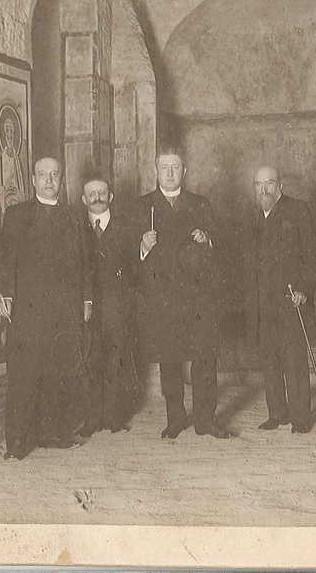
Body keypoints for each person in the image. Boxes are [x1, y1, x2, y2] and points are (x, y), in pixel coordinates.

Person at [0, 157, 94, 460]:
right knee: (23, 376)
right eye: (43, 175)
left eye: (55, 175)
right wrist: (4, 296)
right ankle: (15, 442)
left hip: (63, 310)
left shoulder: (74, 218)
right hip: (27, 309)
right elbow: (4, 260)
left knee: (59, 373)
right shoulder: (16, 215)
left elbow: (86, 263)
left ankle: (53, 434)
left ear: (62, 181)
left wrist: (87, 300)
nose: (49, 180)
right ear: (34, 180)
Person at [134, 147, 230, 439]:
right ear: (156, 171)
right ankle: (175, 418)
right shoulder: (143, 207)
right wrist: (143, 247)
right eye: (165, 168)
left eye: (175, 167)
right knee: (170, 361)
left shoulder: (200, 204)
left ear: (184, 171)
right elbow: (126, 257)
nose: (171, 173)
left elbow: (222, 246)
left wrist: (207, 239)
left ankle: (205, 421)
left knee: (204, 360)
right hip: (162, 298)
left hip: (198, 298)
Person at [247, 166, 316, 433]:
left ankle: (301, 417)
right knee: (269, 359)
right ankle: (277, 413)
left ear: (281, 185)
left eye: (269, 183)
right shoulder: (255, 217)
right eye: (259, 184)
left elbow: (314, 256)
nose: (264, 189)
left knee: (294, 360)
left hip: (292, 299)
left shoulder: (298, 209)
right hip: (264, 304)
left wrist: (304, 289)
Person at [80, 176, 140, 436]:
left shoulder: (125, 227)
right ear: (84, 199)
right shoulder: (77, 229)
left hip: (117, 304)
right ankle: (92, 420)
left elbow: (136, 267)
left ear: (111, 197)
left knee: (116, 360)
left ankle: (114, 417)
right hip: (88, 305)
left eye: (102, 193)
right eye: (92, 194)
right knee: (91, 359)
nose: (97, 198)